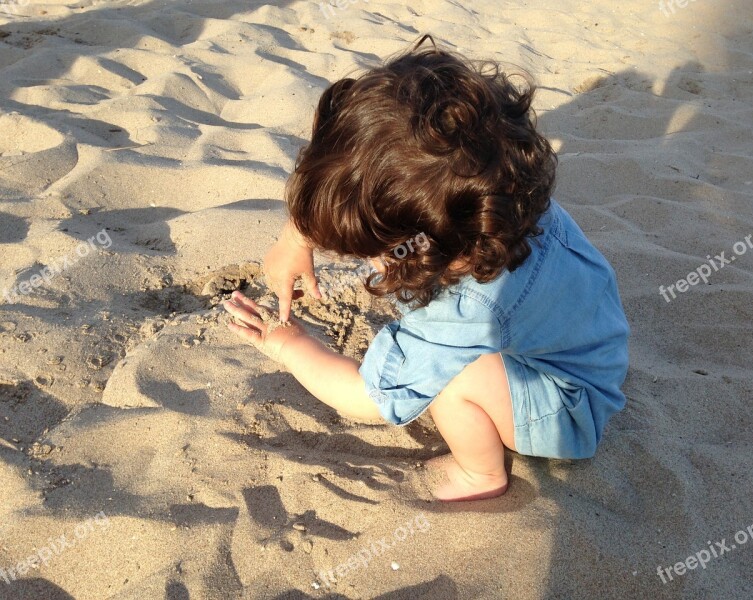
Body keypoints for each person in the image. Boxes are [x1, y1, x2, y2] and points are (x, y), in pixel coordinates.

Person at [223, 37, 630, 502]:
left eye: (374, 250)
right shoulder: (497, 195)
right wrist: (296, 235)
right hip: (598, 343)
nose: (371, 261)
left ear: (426, 251)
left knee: (455, 377)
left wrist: (288, 347)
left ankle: (481, 474)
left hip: (568, 408)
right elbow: (357, 180)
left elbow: (370, 398)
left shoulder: (467, 309)